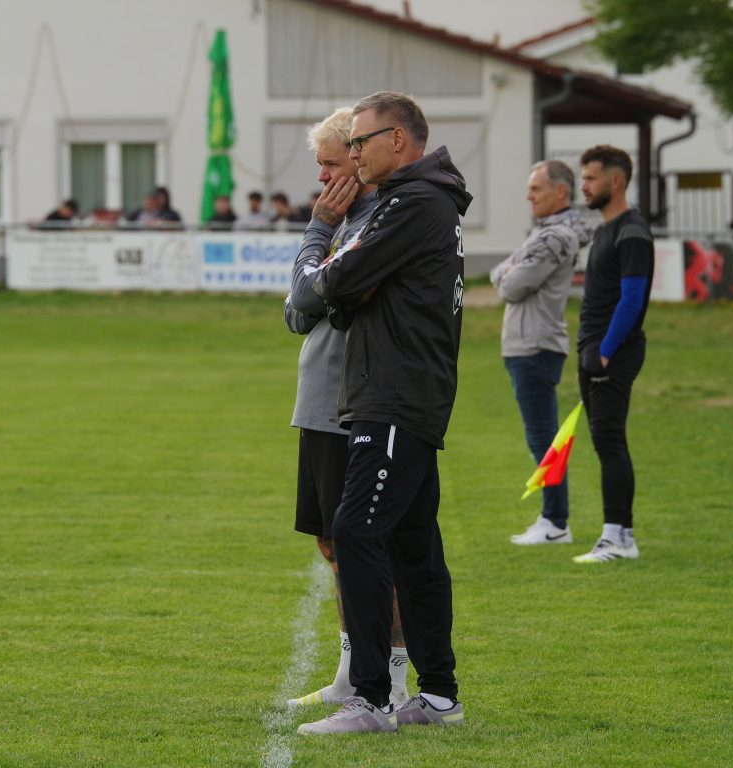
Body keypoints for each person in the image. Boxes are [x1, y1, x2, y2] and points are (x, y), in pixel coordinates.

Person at [297, 91, 472, 735]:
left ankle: (370, 699)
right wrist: (340, 287)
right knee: (414, 544)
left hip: (394, 395)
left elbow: (331, 284)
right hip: (404, 394)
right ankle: (440, 697)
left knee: (356, 532)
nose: (354, 153)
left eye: (361, 141)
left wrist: (325, 265)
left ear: (397, 139)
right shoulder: (422, 200)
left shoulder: (414, 203)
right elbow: (341, 292)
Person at [282, 107, 409, 710]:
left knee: (365, 547)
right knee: (332, 545)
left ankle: (393, 672)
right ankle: (350, 668)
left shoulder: (370, 225)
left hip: (351, 403)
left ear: (360, 160)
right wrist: (314, 278)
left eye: (331, 163)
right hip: (317, 403)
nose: (324, 177)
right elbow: (296, 311)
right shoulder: (340, 223)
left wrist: (316, 236)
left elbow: (313, 295)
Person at [490, 160, 592, 546]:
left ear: (560, 192)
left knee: (543, 439)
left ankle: (555, 521)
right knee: (543, 437)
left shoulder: (555, 237)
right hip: (529, 345)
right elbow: (502, 271)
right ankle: (553, 518)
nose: (527, 196)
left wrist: (509, 271)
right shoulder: (547, 232)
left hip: (536, 345)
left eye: (536, 188)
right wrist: (509, 271)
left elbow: (510, 286)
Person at [573, 145, 653, 564]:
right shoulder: (606, 229)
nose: (583, 186)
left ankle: (618, 537)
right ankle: (619, 534)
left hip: (611, 353)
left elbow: (632, 300)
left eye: (591, 178)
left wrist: (605, 352)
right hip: (592, 350)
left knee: (609, 440)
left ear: (616, 182)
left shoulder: (632, 231)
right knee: (605, 440)